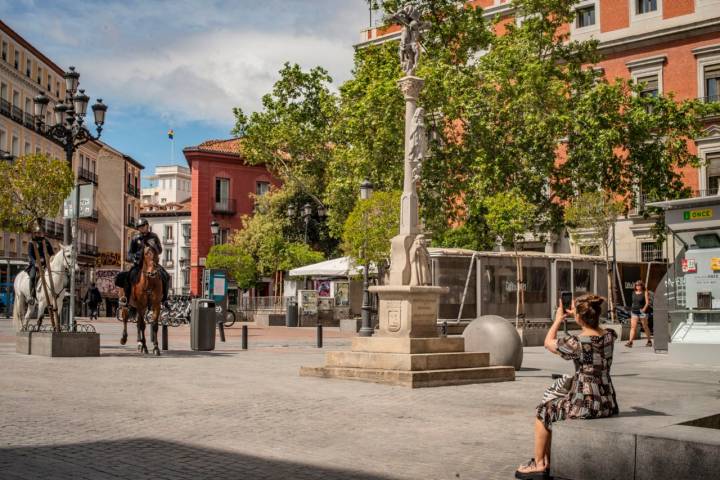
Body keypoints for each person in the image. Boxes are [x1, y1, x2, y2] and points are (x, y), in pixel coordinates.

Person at [515, 294, 619, 479]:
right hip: (607, 402)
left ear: (578, 318)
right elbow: (598, 331)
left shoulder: (576, 343)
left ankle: (539, 465)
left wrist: (558, 320)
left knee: (544, 411)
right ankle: (549, 461)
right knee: (555, 406)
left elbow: (548, 342)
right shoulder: (610, 336)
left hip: (584, 404)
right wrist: (581, 315)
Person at [115, 218, 169, 314]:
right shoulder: (136, 238)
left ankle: (165, 299)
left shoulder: (154, 237)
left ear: (147, 226)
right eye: (139, 227)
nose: (141, 229)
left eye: (142, 227)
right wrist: (134, 258)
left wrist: (155, 246)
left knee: (165, 275)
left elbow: (160, 250)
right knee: (128, 276)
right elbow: (130, 253)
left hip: (152, 263)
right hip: (139, 264)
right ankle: (126, 299)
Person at [26, 225, 54, 306]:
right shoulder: (32, 242)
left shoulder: (46, 242)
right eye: (37, 233)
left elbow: (51, 253)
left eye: (39, 232)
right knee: (32, 277)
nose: (38, 234)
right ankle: (31, 296)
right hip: (35, 264)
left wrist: (52, 258)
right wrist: (35, 263)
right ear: (34, 233)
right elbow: (30, 255)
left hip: (45, 264)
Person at [626, 280, 652, 348]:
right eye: (636, 285)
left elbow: (647, 303)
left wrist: (644, 309)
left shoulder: (645, 292)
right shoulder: (633, 293)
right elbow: (633, 302)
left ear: (642, 286)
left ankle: (649, 341)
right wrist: (631, 309)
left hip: (642, 312)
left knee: (645, 326)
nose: (637, 286)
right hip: (634, 311)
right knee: (633, 327)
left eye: (639, 285)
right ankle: (630, 342)